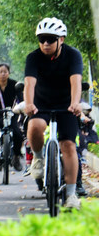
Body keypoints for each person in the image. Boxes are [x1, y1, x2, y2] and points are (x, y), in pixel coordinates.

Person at [24, 17, 84, 210]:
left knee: (68, 145)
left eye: (50, 39)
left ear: (61, 39)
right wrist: (29, 104)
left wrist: (75, 103)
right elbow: (29, 84)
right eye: (42, 39)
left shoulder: (73, 55)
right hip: (41, 102)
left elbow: (76, 82)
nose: (46, 43)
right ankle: (38, 158)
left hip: (67, 104)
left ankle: (71, 194)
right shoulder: (33, 57)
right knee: (35, 126)